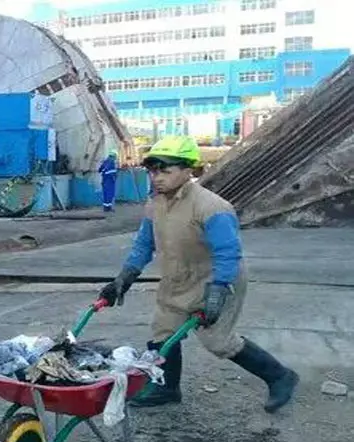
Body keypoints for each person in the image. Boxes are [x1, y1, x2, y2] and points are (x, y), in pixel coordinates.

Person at [98, 135, 298, 412]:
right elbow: (145, 244)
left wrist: (218, 289)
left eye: (165, 171)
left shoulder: (212, 207)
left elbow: (228, 253)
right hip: (178, 278)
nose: (157, 178)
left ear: (187, 171)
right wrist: (125, 277)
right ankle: (167, 388)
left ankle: (281, 376)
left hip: (217, 279)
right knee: (163, 333)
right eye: (153, 172)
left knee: (218, 342)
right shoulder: (155, 204)